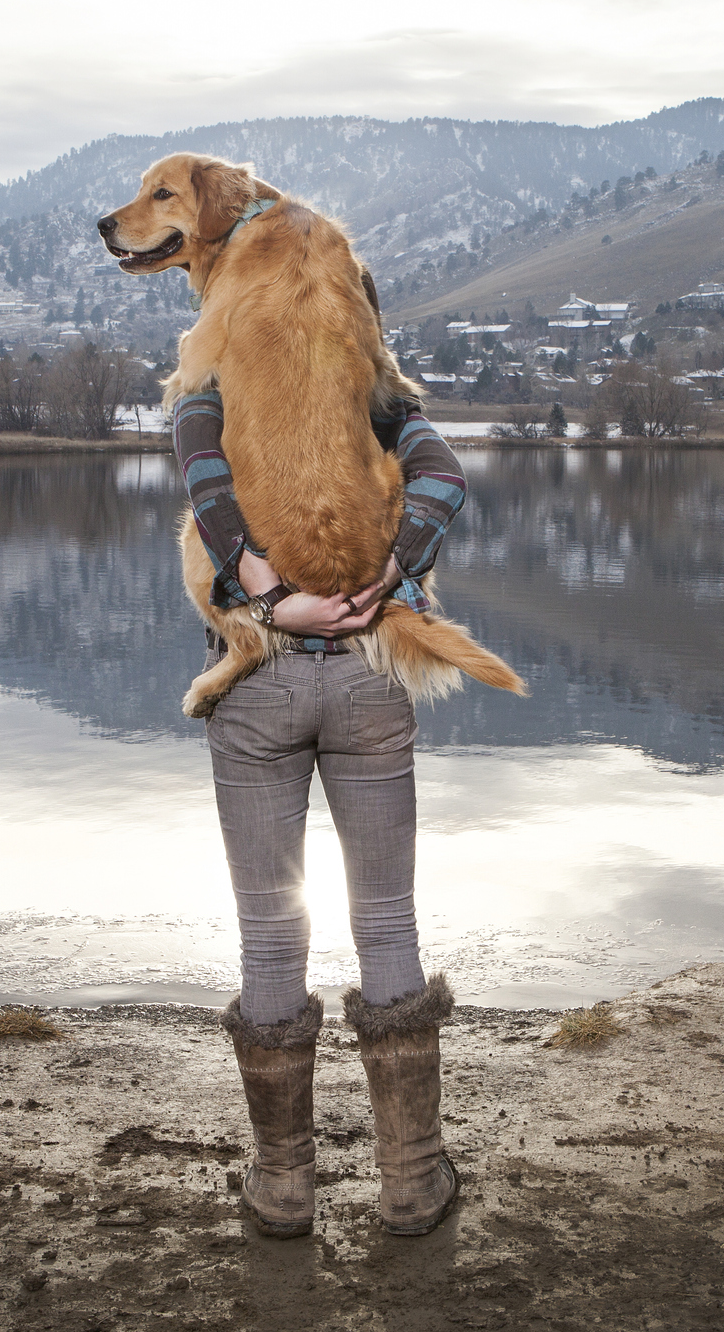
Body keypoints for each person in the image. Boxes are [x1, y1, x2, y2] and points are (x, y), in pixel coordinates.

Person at [171, 384, 468, 1238]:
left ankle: (282, 1189)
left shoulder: (214, 388)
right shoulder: (374, 394)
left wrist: (263, 599)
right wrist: (393, 570)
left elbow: (206, 484)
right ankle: (412, 1183)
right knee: (386, 922)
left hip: (255, 679)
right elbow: (442, 478)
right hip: (369, 675)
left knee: (269, 931)